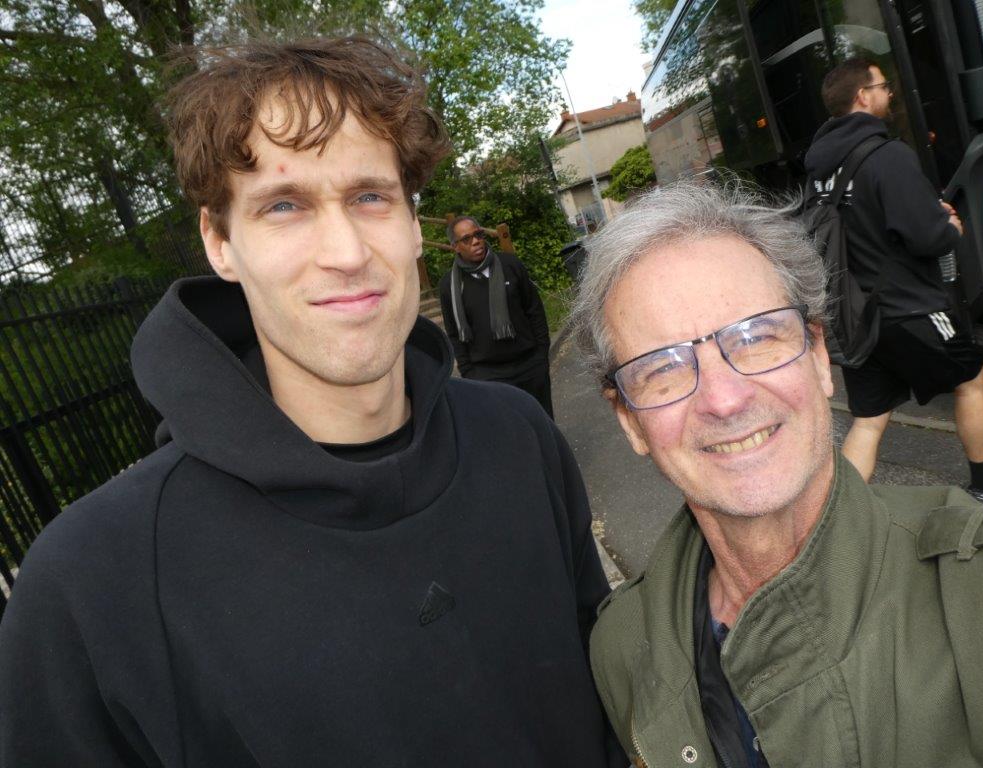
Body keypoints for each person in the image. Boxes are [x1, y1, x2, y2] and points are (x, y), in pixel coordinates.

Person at [0, 37, 624, 767]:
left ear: (412, 223)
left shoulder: (521, 438)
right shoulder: (92, 587)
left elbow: (612, 703)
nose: (347, 252)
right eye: (284, 205)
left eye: (369, 196)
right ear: (219, 242)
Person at [572, 180, 983, 768]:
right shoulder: (622, 648)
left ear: (818, 357)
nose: (725, 399)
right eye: (662, 368)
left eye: (755, 337)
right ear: (630, 421)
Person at [804, 57, 983, 502]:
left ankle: (836, 514)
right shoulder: (887, 154)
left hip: (858, 315)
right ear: (863, 96)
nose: (889, 93)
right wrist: (949, 228)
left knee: (870, 420)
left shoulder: (819, 171)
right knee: (971, 378)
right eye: (882, 86)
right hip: (909, 306)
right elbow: (926, 237)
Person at [439, 216, 554, 417]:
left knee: (543, 423)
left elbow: (534, 310)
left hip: (529, 365)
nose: (476, 241)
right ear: (455, 246)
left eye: (478, 234)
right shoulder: (449, 285)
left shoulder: (511, 265)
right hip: (488, 375)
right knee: (506, 429)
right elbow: (454, 333)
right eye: (466, 239)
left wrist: (541, 356)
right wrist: (469, 372)